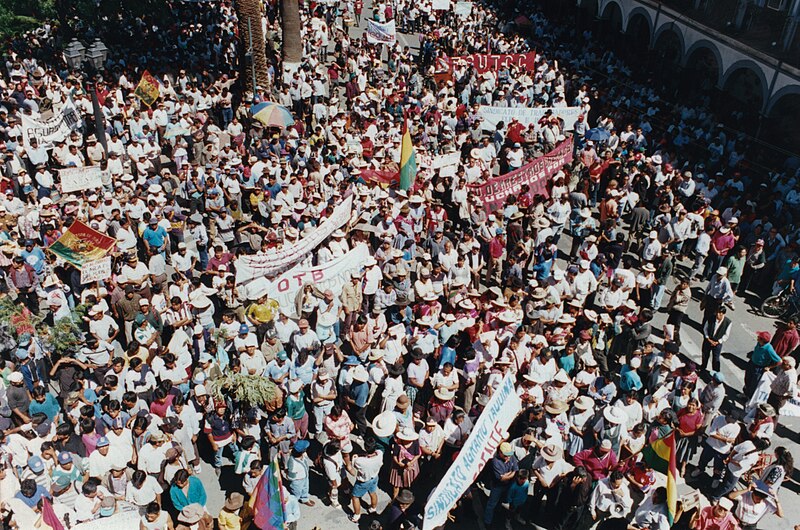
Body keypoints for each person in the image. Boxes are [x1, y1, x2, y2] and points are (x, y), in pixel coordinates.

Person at [484, 442, 519, 528]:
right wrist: (511, 473)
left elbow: (515, 471)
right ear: (500, 452)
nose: (508, 458)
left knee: (502, 500)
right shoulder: (495, 461)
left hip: (508, 486)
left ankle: (498, 511)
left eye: (509, 455)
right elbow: (502, 478)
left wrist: (507, 475)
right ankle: (487, 521)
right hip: (497, 486)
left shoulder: (512, 456)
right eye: (505, 455)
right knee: (491, 504)